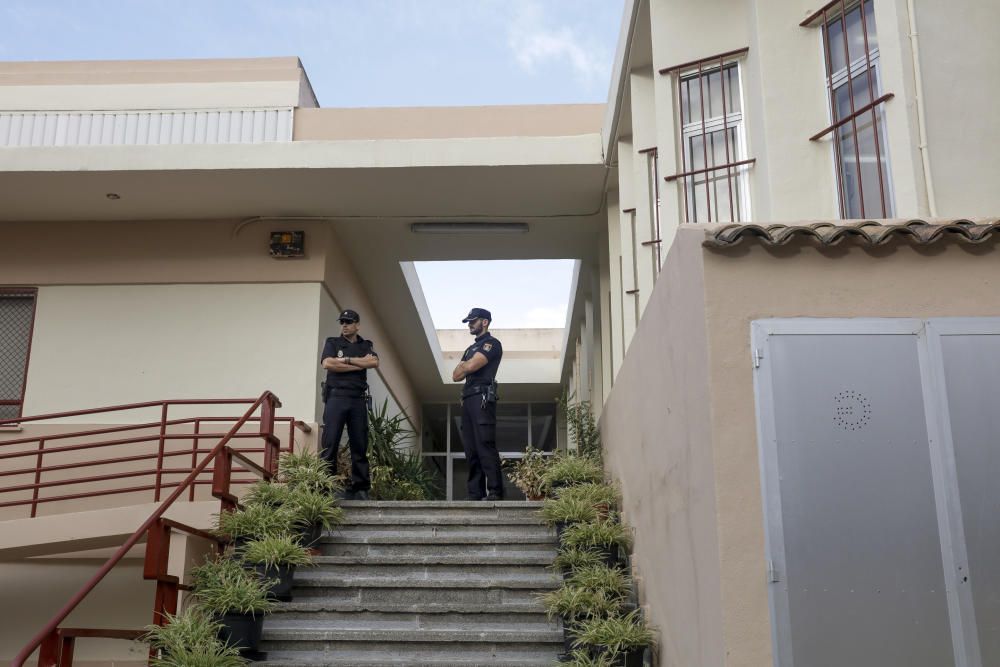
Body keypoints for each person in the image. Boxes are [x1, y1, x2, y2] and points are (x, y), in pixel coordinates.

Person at [320, 309, 379, 500]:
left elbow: (374, 362)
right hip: (336, 397)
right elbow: (328, 364)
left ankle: (360, 488)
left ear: (357, 325)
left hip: (357, 399)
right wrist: (358, 365)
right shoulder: (332, 342)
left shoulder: (365, 344)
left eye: (348, 322)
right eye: (342, 322)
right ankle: (325, 487)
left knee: (359, 444)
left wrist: (345, 360)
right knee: (330, 443)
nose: (344, 325)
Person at [452, 307, 504, 500]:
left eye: (473, 321)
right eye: (468, 322)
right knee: (471, 448)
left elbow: (472, 366)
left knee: (485, 445)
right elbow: (456, 375)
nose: (470, 325)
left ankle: (495, 491)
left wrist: (467, 365)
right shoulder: (470, 349)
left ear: (485, 322)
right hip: (467, 399)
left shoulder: (492, 343)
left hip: (482, 398)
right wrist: (467, 364)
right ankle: (475, 492)